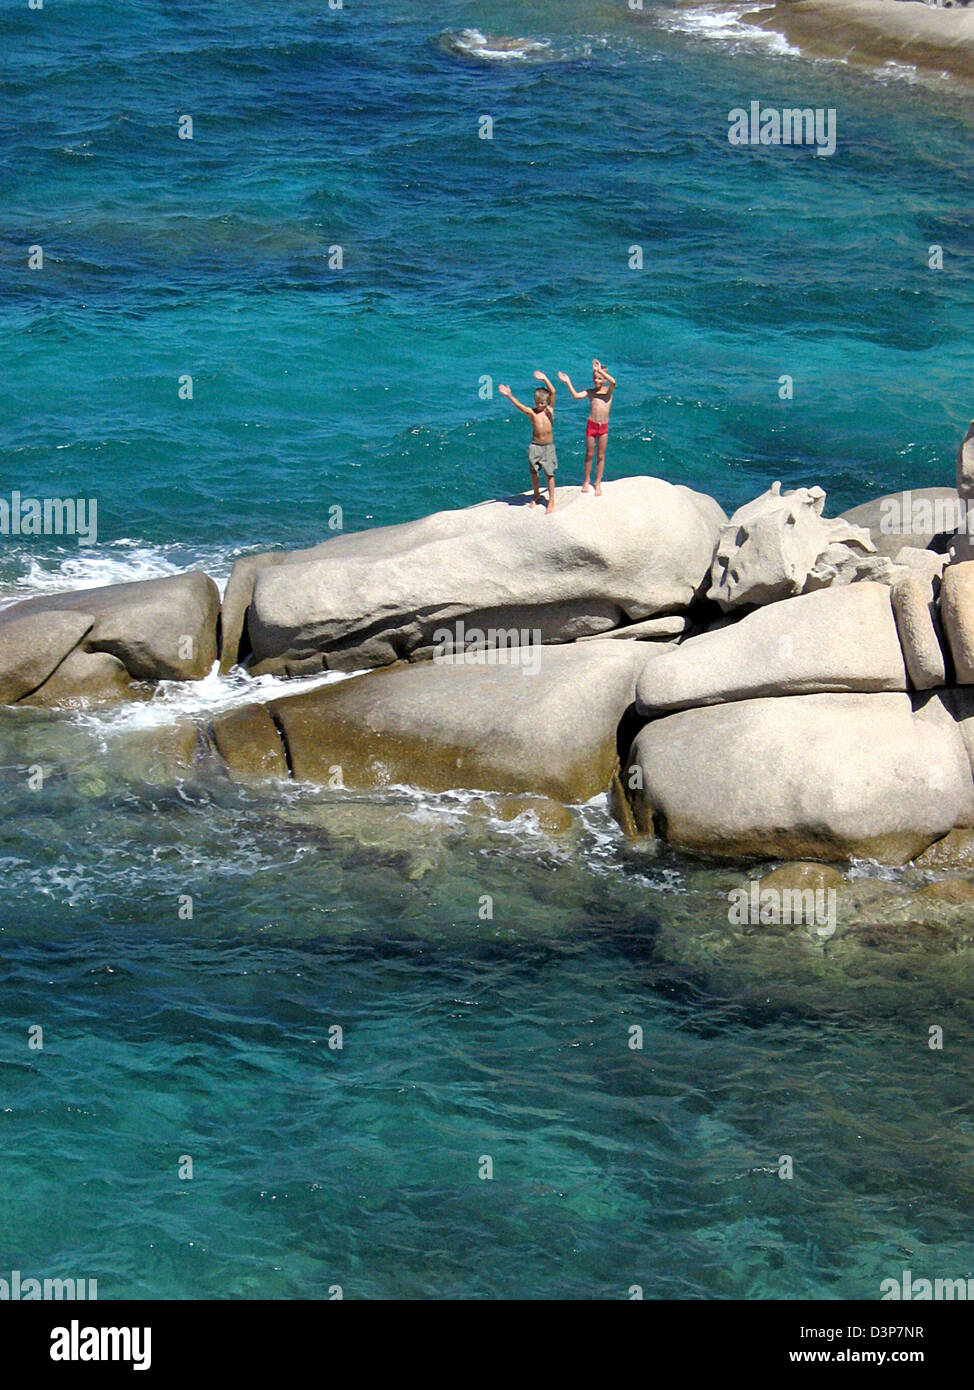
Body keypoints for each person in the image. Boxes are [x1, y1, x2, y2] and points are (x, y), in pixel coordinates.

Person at [498, 371, 558, 513]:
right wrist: (509, 396)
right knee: (534, 473)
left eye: (542, 403)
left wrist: (545, 379)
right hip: (535, 446)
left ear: (547, 402)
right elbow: (519, 406)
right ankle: (536, 494)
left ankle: (552, 500)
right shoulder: (532, 413)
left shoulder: (549, 411)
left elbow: (553, 391)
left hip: (548, 447)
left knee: (549, 474)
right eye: (537, 403)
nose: (539, 405)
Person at [558, 359, 616, 495]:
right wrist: (568, 382)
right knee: (589, 454)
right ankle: (586, 480)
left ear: (604, 380)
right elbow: (576, 396)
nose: (596, 380)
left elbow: (613, 381)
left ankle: (597, 483)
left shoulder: (608, 391)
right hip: (592, 425)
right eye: (595, 378)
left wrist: (599, 370)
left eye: (599, 378)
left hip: (603, 427)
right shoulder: (590, 392)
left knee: (600, 456)